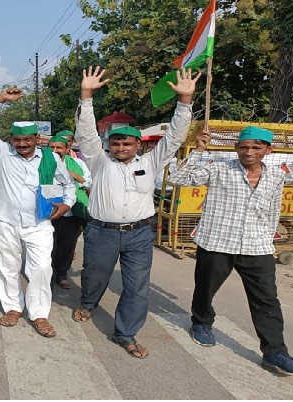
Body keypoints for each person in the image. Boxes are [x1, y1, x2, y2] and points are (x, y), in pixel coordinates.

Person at [72, 66, 201, 358]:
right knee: (94, 276)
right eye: (115, 143)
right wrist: (87, 95)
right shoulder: (99, 162)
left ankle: (126, 333)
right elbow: (86, 133)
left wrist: (184, 102)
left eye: (126, 143)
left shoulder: (152, 162)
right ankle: (89, 303)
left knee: (137, 287)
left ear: (137, 144)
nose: (120, 147)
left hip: (139, 234)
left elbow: (175, 138)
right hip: (101, 232)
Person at [168, 126, 293, 376]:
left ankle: (275, 351)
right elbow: (177, 179)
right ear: (236, 148)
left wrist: (268, 242)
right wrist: (198, 150)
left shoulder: (276, 176)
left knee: (267, 299)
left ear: (269, 149)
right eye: (244, 147)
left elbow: (272, 210)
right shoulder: (218, 169)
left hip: (256, 246)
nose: (249, 152)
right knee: (205, 288)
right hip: (217, 243)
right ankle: (201, 322)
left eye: (256, 147)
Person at [0, 88, 76, 338]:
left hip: (39, 223)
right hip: (6, 222)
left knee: (41, 269)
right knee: (8, 267)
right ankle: (12, 308)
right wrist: (0, 101)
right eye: (17, 140)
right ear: (11, 139)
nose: (22, 144)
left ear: (36, 138)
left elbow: (69, 184)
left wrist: (66, 204)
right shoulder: (3, 153)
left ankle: (39, 314)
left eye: (27, 139)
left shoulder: (50, 158)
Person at [46, 134, 92, 289]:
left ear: (67, 149)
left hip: (72, 212)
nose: (55, 150)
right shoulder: (41, 164)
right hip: (48, 212)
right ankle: (47, 275)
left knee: (67, 245)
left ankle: (62, 274)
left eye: (59, 147)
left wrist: (73, 175)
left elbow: (88, 181)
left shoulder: (77, 163)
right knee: (49, 246)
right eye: (51, 147)